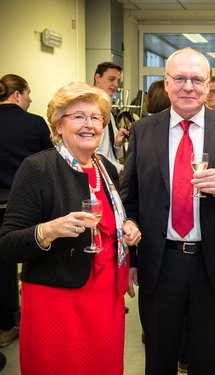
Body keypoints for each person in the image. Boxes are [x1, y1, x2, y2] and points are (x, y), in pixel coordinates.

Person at [121, 47, 215, 374]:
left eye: (197, 79)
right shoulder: (144, 130)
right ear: (167, 83)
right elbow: (128, 200)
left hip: (211, 264)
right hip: (160, 262)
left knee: (205, 357)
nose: (189, 86)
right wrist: (131, 258)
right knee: (158, 356)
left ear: (209, 84)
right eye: (181, 79)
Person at [0, 81, 141, 375]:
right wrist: (49, 230)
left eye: (96, 117)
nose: (89, 125)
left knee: (101, 365)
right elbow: (9, 243)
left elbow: (114, 217)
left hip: (105, 297)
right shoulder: (38, 167)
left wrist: (128, 226)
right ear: (58, 124)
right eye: (78, 116)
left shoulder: (106, 167)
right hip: (57, 297)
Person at [0, 74, 52, 348]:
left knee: (2, 265)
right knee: (30, 260)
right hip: (28, 204)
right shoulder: (34, 123)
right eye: (28, 93)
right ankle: (27, 318)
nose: (30, 99)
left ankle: (5, 325)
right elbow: (53, 161)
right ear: (18, 94)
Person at [94, 62, 129, 172]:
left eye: (118, 81)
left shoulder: (107, 110)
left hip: (110, 171)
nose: (115, 85)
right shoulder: (91, 109)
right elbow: (92, 152)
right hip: (100, 171)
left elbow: (114, 154)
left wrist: (117, 142)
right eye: (111, 79)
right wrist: (121, 168)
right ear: (97, 77)